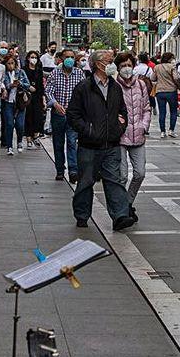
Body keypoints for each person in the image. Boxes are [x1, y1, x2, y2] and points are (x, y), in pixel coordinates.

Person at [67, 51, 136, 231]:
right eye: (108, 61)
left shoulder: (115, 87)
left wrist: (120, 126)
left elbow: (123, 111)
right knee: (86, 181)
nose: (112, 64)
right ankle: (82, 214)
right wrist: (87, 130)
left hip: (111, 143)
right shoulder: (83, 87)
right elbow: (73, 114)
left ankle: (120, 216)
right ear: (98, 64)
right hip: (89, 145)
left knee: (114, 180)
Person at [116, 52, 151, 220]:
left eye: (129, 65)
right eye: (123, 66)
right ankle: (123, 210)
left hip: (138, 135)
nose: (126, 69)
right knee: (122, 176)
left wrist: (144, 126)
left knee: (140, 173)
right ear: (117, 68)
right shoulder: (114, 86)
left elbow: (146, 108)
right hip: (120, 137)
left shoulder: (141, 85)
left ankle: (127, 203)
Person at [45, 48, 81, 182]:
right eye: (67, 57)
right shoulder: (55, 73)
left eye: (72, 57)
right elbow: (48, 91)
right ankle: (60, 169)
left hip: (73, 115)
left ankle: (73, 170)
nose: (70, 60)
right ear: (61, 59)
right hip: (58, 114)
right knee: (58, 143)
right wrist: (55, 104)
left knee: (72, 142)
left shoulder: (79, 73)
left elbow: (83, 93)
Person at [0, 54, 33, 155]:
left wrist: (20, 84)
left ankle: (19, 141)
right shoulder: (3, 74)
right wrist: (10, 86)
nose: (10, 65)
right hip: (8, 102)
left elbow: (28, 85)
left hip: (20, 102)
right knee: (9, 124)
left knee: (20, 124)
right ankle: (9, 147)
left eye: (12, 63)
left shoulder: (21, 72)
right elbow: (1, 85)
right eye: (8, 63)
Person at [152, 52, 180, 138]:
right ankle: (171, 130)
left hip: (160, 92)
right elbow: (176, 78)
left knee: (162, 112)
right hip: (171, 91)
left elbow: (153, 78)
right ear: (169, 59)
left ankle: (162, 132)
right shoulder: (172, 67)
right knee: (173, 111)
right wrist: (179, 86)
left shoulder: (157, 67)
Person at [23, 50, 46, 147]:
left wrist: (43, 99)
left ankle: (35, 136)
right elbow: (21, 81)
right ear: (28, 58)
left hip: (37, 96)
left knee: (38, 117)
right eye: (32, 57)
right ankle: (28, 138)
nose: (33, 59)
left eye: (35, 57)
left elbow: (41, 86)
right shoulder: (24, 70)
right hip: (27, 96)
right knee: (28, 116)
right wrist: (28, 87)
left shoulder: (39, 70)